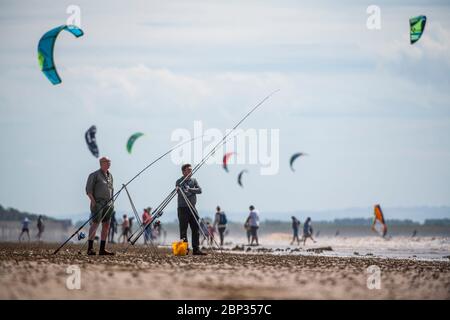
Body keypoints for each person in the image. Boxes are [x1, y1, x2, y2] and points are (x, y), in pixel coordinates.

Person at [85, 156, 115, 255]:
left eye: (109, 161)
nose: (109, 163)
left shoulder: (110, 176)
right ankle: (90, 248)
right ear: (102, 163)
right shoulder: (94, 175)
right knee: (95, 224)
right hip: (98, 203)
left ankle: (102, 249)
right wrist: (93, 202)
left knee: (106, 225)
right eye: (107, 161)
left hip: (109, 204)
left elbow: (111, 189)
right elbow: (89, 190)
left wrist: (112, 202)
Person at [176, 163, 206, 255]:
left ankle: (196, 249)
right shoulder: (179, 181)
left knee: (195, 229)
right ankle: (185, 249)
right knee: (183, 230)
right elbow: (182, 194)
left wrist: (190, 190)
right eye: (189, 170)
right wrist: (191, 191)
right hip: (183, 208)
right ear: (183, 171)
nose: (191, 171)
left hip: (193, 208)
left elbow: (200, 190)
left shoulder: (194, 180)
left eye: (191, 170)